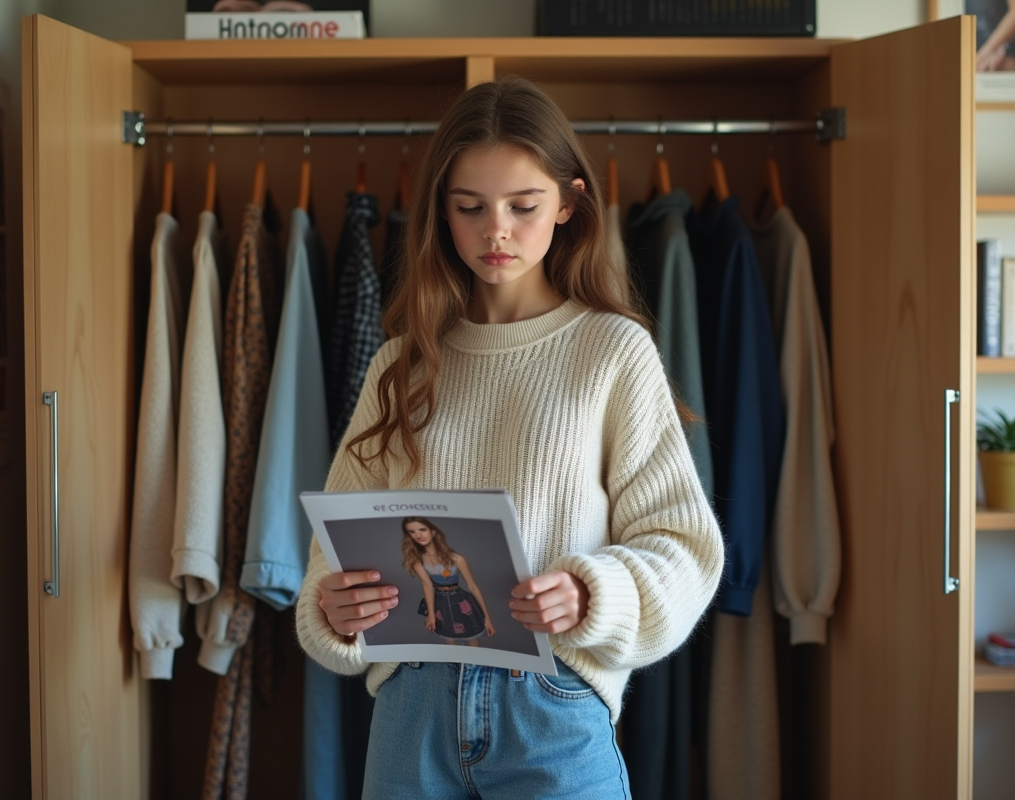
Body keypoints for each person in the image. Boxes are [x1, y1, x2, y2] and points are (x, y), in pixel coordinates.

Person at [296, 76, 724, 799]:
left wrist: (595, 596)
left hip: (552, 707)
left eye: (523, 207)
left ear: (568, 203)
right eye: (469, 208)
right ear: (441, 213)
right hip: (411, 711)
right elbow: (328, 562)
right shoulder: (397, 365)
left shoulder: (612, 352)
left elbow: (684, 548)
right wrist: (332, 611)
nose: (496, 230)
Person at [401, 516, 496, 646]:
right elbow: (427, 585)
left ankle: (473, 666)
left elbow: (473, 587)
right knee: (449, 639)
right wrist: (431, 615)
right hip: (439, 603)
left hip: (461, 601)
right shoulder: (418, 561)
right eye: (412, 532)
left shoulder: (456, 558)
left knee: (471, 637)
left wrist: (487, 618)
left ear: (433, 532)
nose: (418, 535)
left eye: (422, 529)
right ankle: (454, 666)